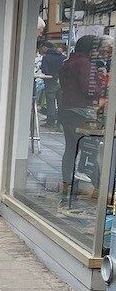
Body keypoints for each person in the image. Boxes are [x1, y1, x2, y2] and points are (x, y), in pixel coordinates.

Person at [59, 35, 106, 191]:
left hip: (66, 110)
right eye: (97, 48)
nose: (98, 52)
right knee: (90, 149)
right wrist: (101, 86)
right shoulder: (85, 65)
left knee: (71, 148)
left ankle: (67, 180)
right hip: (82, 112)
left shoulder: (68, 63)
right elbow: (89, 89)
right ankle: (99, 185)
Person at [38, 40, 65, 126]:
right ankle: (60, 122)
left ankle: (50, 121)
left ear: (45, 48)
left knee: (51, 102)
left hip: (50, 81)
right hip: (61, 81)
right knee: (60, 102)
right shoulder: (62, 57)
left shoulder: (46, 57)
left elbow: (44, 70)